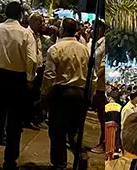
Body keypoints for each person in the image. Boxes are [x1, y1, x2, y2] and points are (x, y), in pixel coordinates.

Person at [0, 2, 38, 170]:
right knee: (14, 125)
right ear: (21, 15)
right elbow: (32, 59)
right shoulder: (26, 34)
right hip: (17, 81)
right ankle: (10, 162)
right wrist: (29, 78)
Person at [42, 17, 95, 170]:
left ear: (62, 30)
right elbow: (92, 77)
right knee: (75, 130)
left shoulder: (56, 49)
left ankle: (60, 164)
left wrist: (45, 95)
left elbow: (49, 76)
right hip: (80, 94)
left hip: (61, 94)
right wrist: (88, 96)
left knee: (57, 132)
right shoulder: (85, 50)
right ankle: (80, 156)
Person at [90, 20, 106, 154]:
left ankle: (104, 143)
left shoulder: (104, 44)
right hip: (97, 86)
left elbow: (103, 66)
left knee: (102, 117)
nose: (90, 30)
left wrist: (95, 79)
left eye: (93, 28)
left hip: (101, 87)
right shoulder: (97, 43)